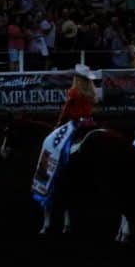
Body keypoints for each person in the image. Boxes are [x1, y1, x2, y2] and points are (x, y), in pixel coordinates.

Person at [31, 64, 99, 211]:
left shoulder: (74, 92)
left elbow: (66, 110)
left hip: (75, 123)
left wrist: (59, 123)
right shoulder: (91, 92)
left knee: (56, 143)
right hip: (89, 122)